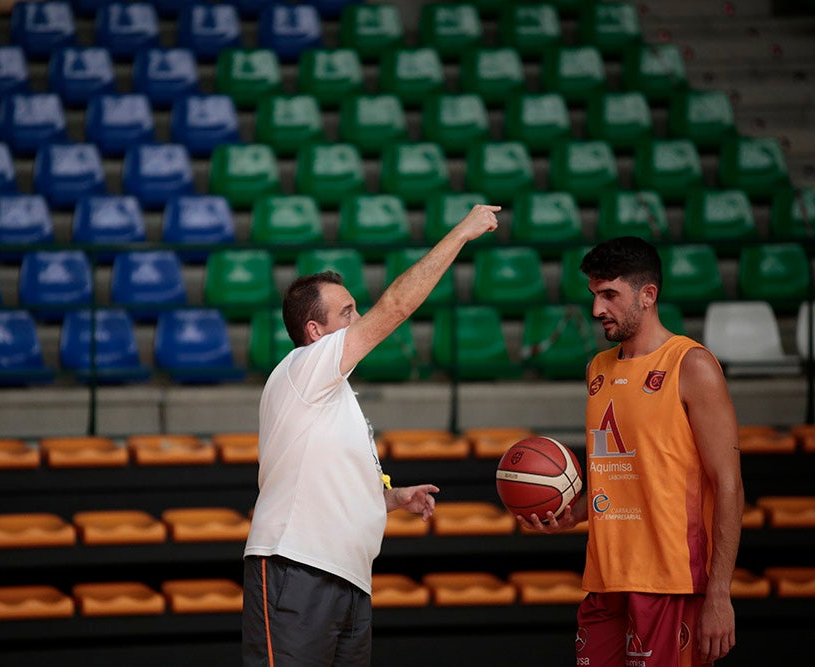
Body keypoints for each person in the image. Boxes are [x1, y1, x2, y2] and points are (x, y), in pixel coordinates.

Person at [241, 204, 501, 666]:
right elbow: (396, 306)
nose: (360, 317)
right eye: (348, 312)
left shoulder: (333, 394)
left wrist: (391, 499)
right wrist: (460, 234)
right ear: (315, 331)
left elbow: (330, 483)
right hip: (297, 567)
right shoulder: (305, 365)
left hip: (350, 578)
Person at [518, 236, 744, 666]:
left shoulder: (692, 365)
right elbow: (619, 472)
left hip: (671, 582)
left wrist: (719, 593)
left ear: (648, 295)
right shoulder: (597, 369)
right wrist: (573, 513)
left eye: (609, 295)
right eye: (593, 295)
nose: (596, 309)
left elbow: (728, 485)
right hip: (605, 579)